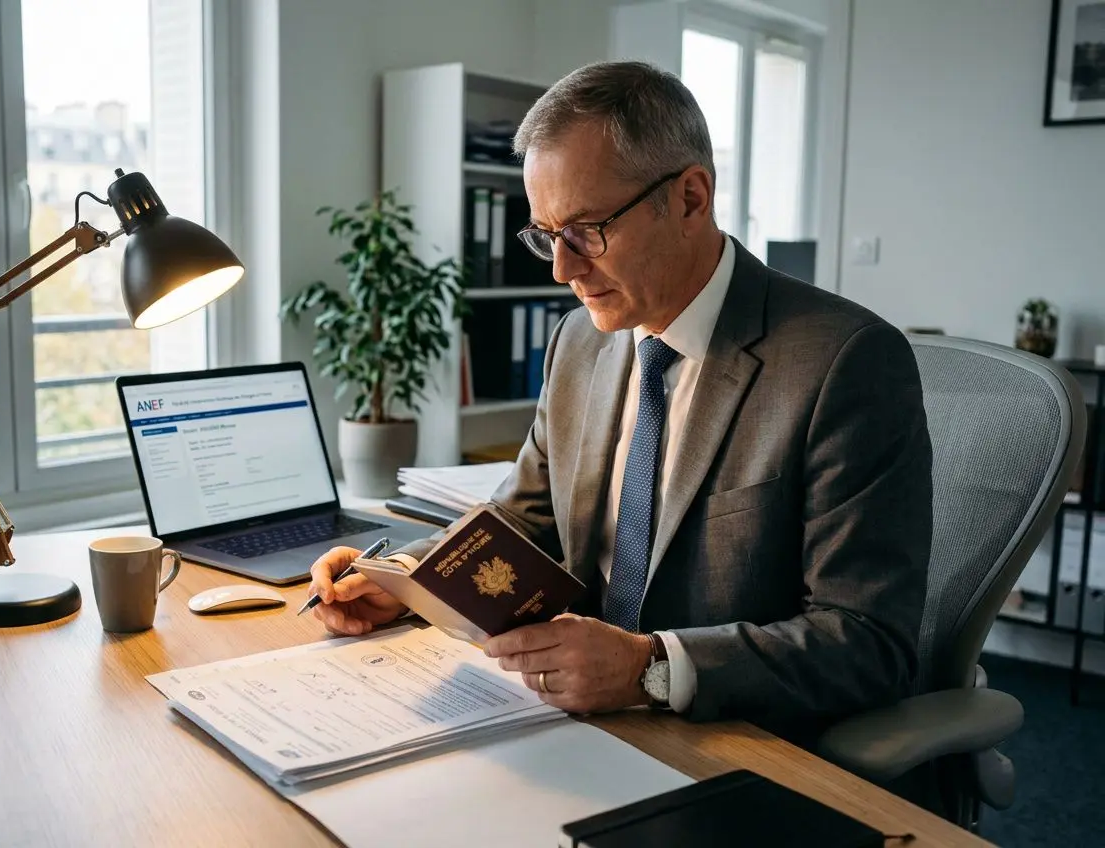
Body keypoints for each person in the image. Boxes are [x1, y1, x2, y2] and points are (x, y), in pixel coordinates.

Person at [308, 60, 931, 740]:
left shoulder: (844, 362)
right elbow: (523, 525)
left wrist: (649, 669)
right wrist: (406, 580)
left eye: (587, 230)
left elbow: (869, 642)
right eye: (546, 234)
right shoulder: (580, 341)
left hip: (731, 740)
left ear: (691, 198)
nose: (562, 269)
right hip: (567, 719)